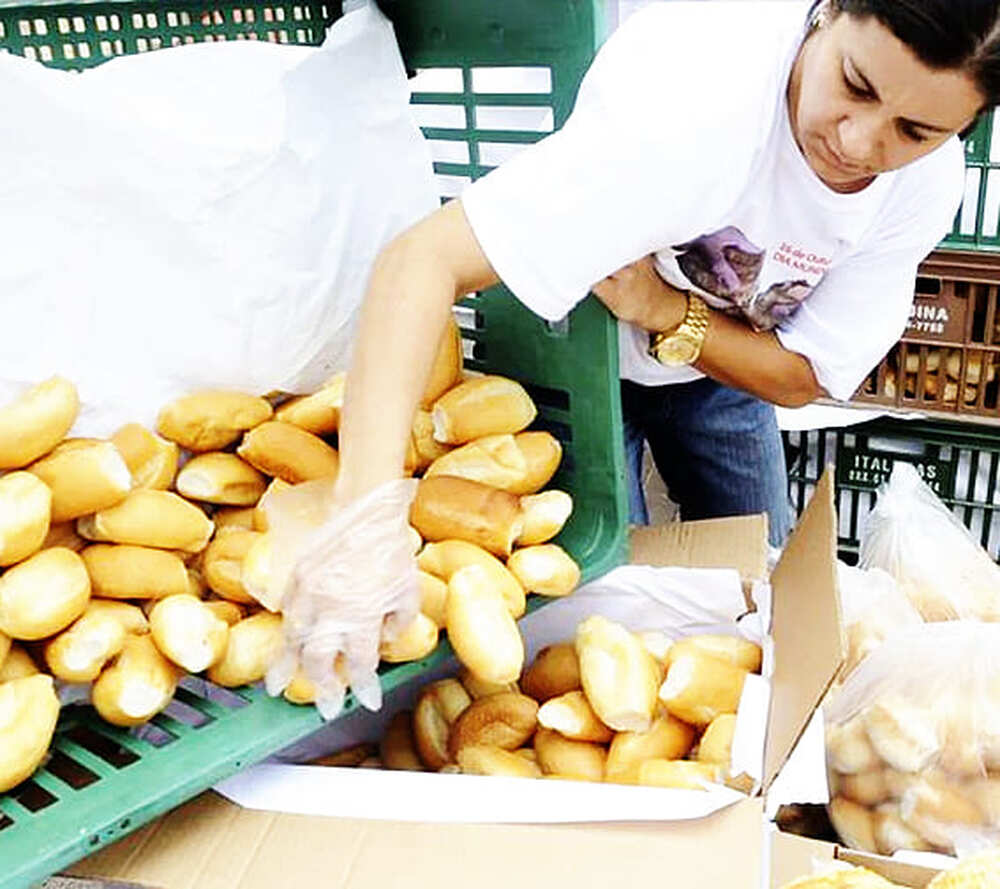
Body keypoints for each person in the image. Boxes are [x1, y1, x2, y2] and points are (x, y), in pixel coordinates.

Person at [277, 0, 998, 710]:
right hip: (576, 352)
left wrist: (666, 312)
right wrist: (363, 518)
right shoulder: (696, 99)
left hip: (722, 369)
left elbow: (802, 374)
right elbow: (421, 260)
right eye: (855, 84)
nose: (858, 140)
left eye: (915, 129)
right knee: (586, 609)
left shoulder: (922, 187)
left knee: (767, 593)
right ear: (830, 9)